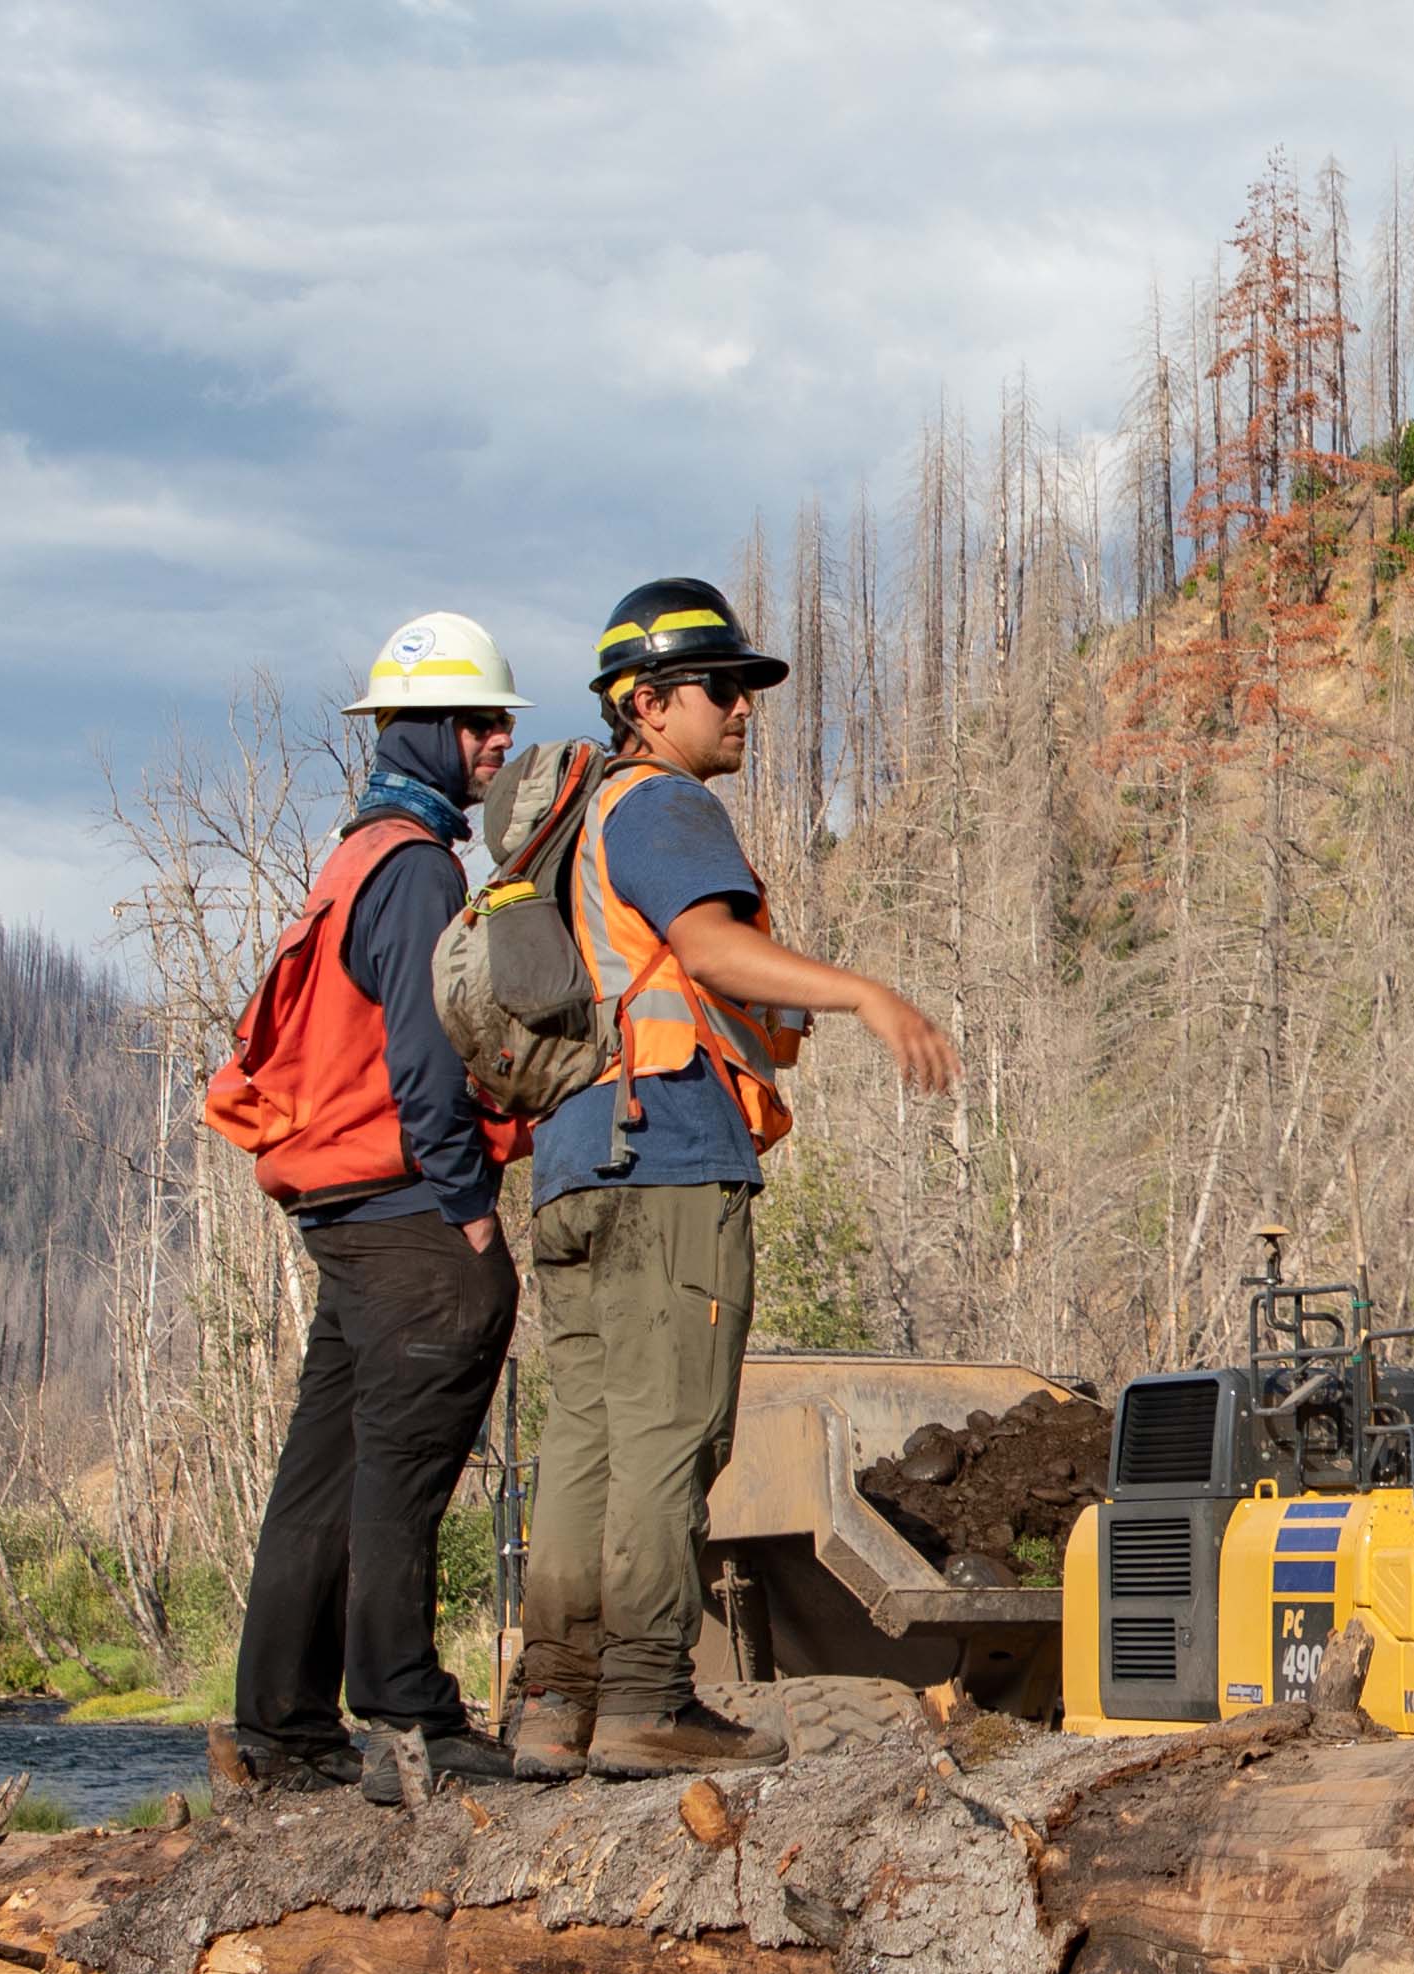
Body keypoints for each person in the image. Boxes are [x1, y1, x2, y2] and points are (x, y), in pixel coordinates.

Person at [509, 578, 960, 1780]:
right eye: (726, 688)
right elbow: (706, 945)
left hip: (574, 1164)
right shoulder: (661, 806)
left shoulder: (573, 828)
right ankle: (650, 1696)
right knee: (671, 1432)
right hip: (663, 1159)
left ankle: (553, 1704)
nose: (746, 710)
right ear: (649, 706)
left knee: (590, 1440)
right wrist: (865, 991)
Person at [227, 611, 532, 1791]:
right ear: (430, 733)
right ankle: (411, 1716)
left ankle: (284, 1731)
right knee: (400, 1471)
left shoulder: (354, 854)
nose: (500, 739)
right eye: (480, 722)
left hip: (344, 1208)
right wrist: (467, 1205)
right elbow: (422, 1053)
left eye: (499, 718)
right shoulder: (413, 867)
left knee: (325, 1472)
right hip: (407, 1209)